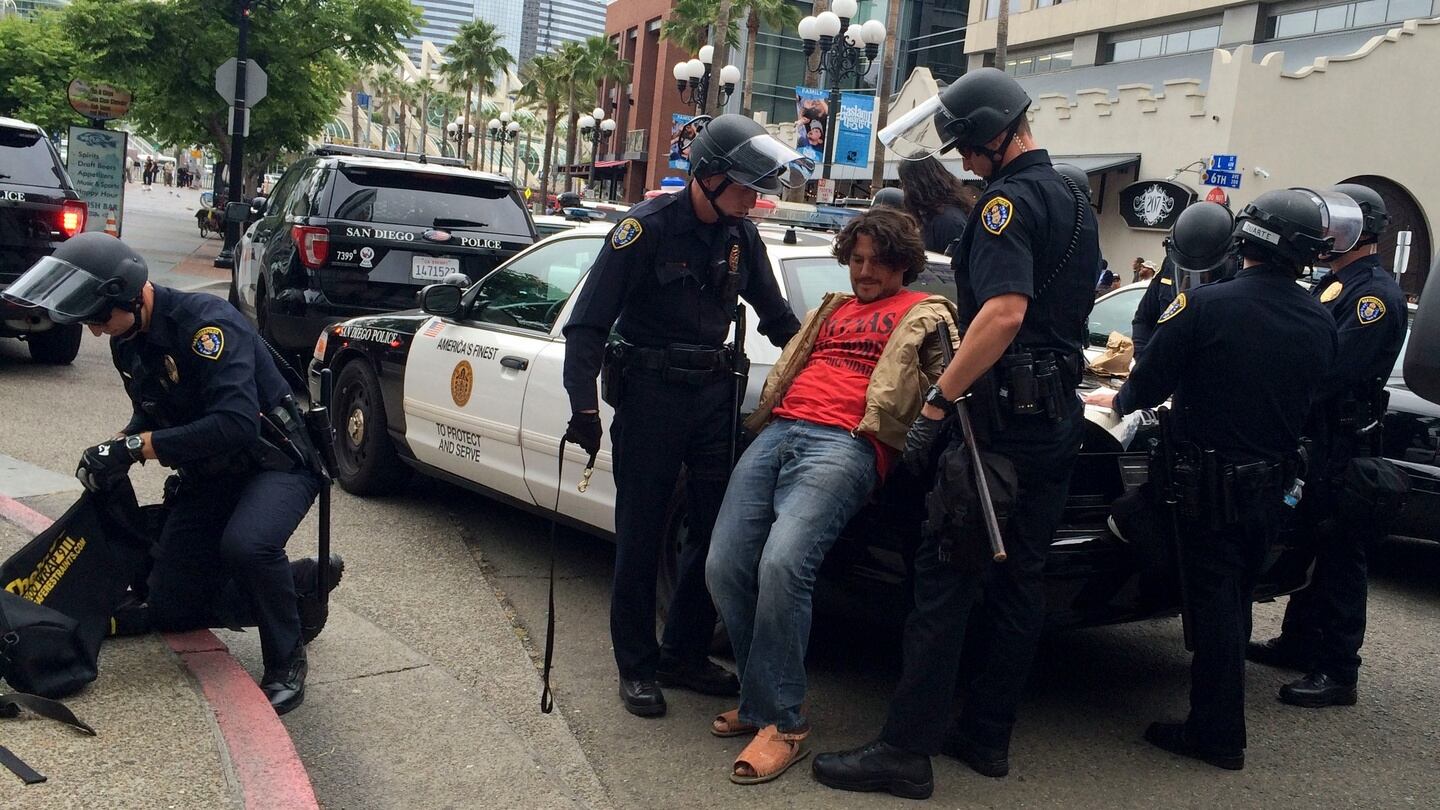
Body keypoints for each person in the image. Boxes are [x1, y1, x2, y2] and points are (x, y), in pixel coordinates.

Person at [812, 67, 1099, 798]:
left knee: (944, 578)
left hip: (997, 426)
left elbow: (1003, 313)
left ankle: (904, 751)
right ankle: (986, 735)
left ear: (997, 134)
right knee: (1020, 580)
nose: (965, 162)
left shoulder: (1005, 205)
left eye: (968, 147)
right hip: (1056, 416)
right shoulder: (1074, 195)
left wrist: (939, 400)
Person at [0, 233, 342, 715]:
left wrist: (139, 447)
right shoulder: (128, 342)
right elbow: (153, 411)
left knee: (247, 545)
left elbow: (236, 423)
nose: (96, 332)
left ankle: (287, 661)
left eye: (99, 319)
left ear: (128, 296)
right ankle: (296, 584)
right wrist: (116, 446)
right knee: (171, 607)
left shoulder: (207, 327)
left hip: (275, 465)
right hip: (210, 475)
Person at [561, 114, 808, 718]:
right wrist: (583, 406)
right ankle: (637, 665)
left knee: (712, 529)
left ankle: (684, 654)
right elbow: (587, 326)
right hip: (651, 397)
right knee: (641, 534)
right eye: (746, 186)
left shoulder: (741, 237)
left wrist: (828, 362)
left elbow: (778, 319)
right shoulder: (643, 230)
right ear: (709, 175)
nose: (755, 198)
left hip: (714, 399)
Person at [1082, 189, 1338, 769]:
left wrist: (1116, 400)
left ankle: (1216, 733)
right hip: (1271, 488)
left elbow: (1148, 383)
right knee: (1236, 599)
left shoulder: (1204, 305)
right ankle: (1214, 719)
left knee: (1211, 601)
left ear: (1245, 240)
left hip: (1208, 487)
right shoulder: (1320, 318)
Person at [705, 208, 959, 785]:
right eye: (857, 260)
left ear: (903, 263)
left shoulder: (926, 312)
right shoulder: (833, 309)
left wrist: (919, 431)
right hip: (781, 429)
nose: (865, 272)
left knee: (783, 563)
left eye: (878, 262)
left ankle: (784, 723)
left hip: (847, 441)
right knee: (723, 564)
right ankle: (758, 700)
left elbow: (951, 382)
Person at [1247, 184, 1407, 708]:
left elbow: (1332, 370)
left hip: (1343, 443)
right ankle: (1298, 642)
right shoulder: (1334, 284)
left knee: (1341, 555)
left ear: (1363, 231)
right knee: (1311, 542)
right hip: (1318, 439)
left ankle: (1339, 670)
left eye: (1336, 225)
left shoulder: (1372, 297)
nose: (1325, 234)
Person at [1131, 202, 1238, 356]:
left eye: (1203, 273)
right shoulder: (1170, 265)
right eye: (1187, 270)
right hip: (1168, 363)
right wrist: (1144, 358)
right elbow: (1143, 320)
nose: (1194, 278)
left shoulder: (1240, 281)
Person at [896, 155, 972, 254]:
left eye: (904, 183)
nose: (903, 189)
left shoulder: (948, 221)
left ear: (916, 185)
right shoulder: (934, 216)